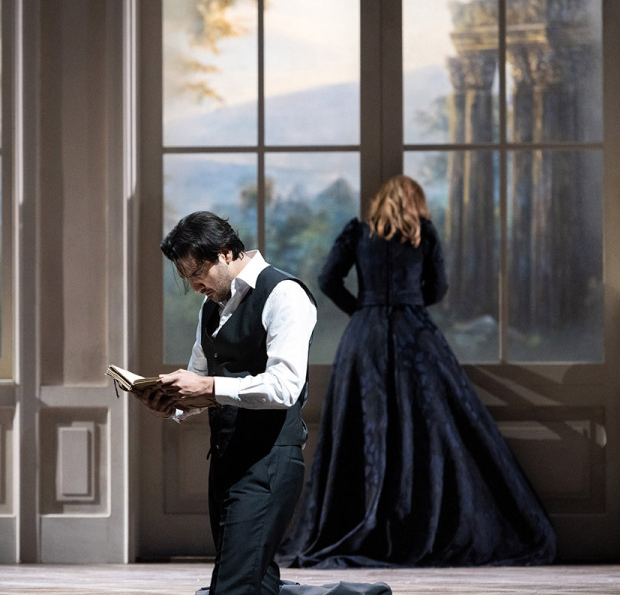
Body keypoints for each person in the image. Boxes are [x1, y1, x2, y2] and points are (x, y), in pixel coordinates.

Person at [277, 175, 557, 569]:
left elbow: (327, 280)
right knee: (432, 428)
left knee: (363, 427)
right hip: (416, 335)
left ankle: (364, 520)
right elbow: (438, 288)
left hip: (365, 338)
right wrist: (410, 303)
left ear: (380, 202)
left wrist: (363, 309)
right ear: (416, 201)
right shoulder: (422, 233)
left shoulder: (358, 232)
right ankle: (419, 521)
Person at [136, 211, 318, 595]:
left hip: (269, 462)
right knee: (256, 583)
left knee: (233, 586)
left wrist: (208, 386)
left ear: (225, 253)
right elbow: (200, 379)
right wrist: (173, 403)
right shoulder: (210, 306)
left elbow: (285, 387)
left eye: (198, 273)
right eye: (186, 278)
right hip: (225, 461)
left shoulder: (284, 294)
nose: (195, 286)